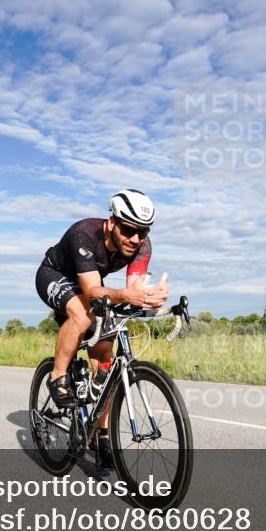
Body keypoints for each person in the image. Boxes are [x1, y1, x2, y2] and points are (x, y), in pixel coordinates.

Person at [35, 189, 168, 462]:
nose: (135, 239)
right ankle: (57, 377)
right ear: (112, 222)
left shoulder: (142, 245)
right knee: (82, 315)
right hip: (55, 275)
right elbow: (92, 289)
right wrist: (127, 295)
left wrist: (151, 298)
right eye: (129, 230)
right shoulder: (84, 234)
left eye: (142, 232)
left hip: (93, 283)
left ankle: (101, 433)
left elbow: (133, 290)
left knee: (106, 365)